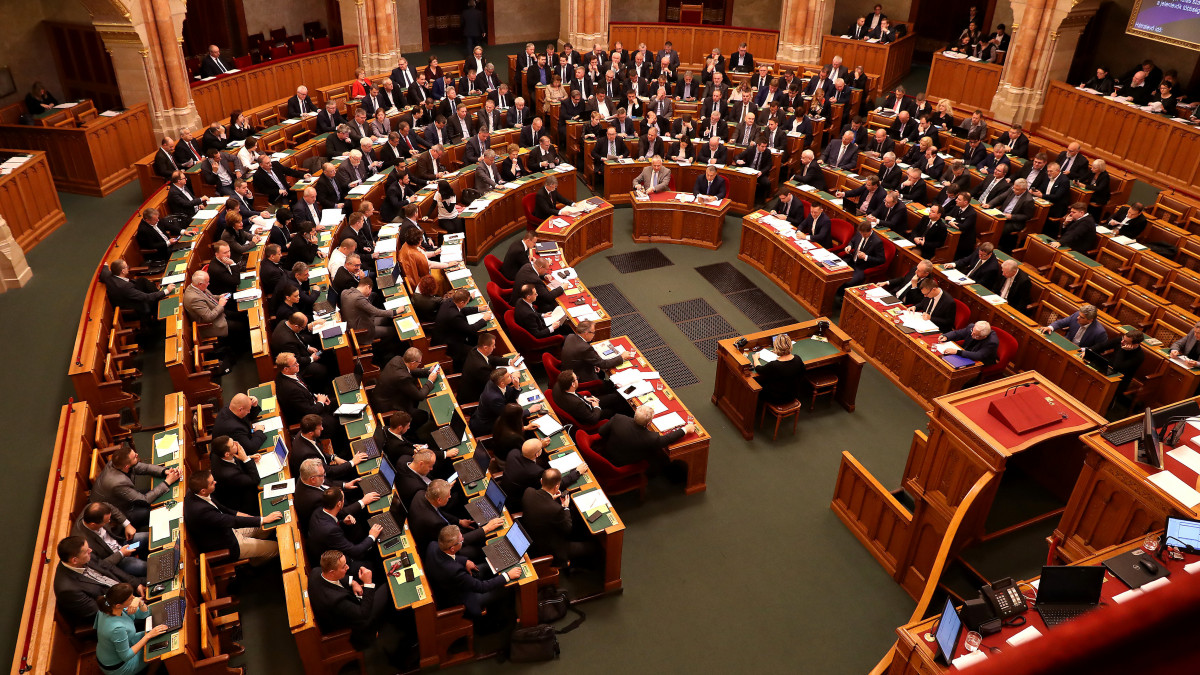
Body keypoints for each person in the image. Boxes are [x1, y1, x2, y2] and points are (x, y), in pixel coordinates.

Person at [184, 470, 281, 564]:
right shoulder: (201, 511)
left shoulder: (194, 490)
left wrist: (244, 515)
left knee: (267, 528)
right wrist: (263, 519)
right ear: (203, 491)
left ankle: (257, 551)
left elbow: (222, 509)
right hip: (228, 543)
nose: (215, 482)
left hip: (228, 530)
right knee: (276, 548)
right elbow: (231, 521)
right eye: (212, 483)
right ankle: (254, 563)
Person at [425, 525, 519, 620]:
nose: (462, 541)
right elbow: (481, 587)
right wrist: (507, 576)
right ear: (452, 548)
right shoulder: (455, 571)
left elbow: (446, 557)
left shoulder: (432, 545)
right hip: (464, 596)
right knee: (508, 588)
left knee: (489, 567)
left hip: (452, 582)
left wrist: (464, 561)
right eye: (461, 541)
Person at [309, 550, 391, 651]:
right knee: (388, 586)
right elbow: (363, 614)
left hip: (350, 604)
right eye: (343, 567)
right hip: (359, 622)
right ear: (332, 572)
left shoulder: (316, 572)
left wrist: (353, 582)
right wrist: (368, 583)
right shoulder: (336, 601)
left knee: (379, 584)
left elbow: (336, 577)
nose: (347, 567)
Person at [54, 536, 144, 628]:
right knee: (151, 613)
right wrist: (128, 605)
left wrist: (135, 584)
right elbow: (98, 612)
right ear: (74, 560)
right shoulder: (67, 590)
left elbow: (110, 568)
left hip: (125, 591)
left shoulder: (84, 556)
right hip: (115, 616)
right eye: (86, 551)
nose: (90, 550)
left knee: (152, 580)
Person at [91, 443, 179, 529]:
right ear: (127, 466)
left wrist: (164, 471)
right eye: (134, 457)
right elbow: (145, 500)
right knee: (156, 511)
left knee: (159, 494)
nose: (137, 454)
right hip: (120, 511)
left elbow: (145, 468)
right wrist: (167, 482)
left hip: (124, 497)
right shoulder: (117, 483)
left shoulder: (118, 463)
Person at [95, 583, 166, 675]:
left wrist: (139, 602)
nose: (134, 599)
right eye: (130, 599)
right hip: (119, 666)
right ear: (118, 605)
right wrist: (148, 636)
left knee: (158, 635)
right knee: (159, 649)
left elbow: (145, 614)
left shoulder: (108, 603)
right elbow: (126, 656)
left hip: (120, 646)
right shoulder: (117, 628)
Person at [503, 439, 587, 513]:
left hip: (507, 493)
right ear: (537, 454)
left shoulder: (513, 453)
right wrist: (577, 472)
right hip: (520, 503)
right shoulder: (536, 472)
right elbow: (552, 486)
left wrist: (540, 445)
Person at [597, 404, 694, 468]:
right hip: (625, 463)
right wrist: (686, 429)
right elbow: (667, 439)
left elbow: (601, 432)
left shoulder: (618, 418)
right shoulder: (650, 438)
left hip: (607, 453)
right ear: (649, 423)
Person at [307, 487, 383, 567]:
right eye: (343, 499)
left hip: (322, 546)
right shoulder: (331, 531)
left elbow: (329, 523)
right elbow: (355, 551)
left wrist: (343, 522)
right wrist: (372, 536)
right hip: (328, 563)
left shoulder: (318, 511)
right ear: (339, 504)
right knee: (373, 564)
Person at [73, 502, 149, 577]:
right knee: (145, 567)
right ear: (93, 524)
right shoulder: (84, 544)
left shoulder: (91, 508)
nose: (109, 521)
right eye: (105, 521)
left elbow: (110, 507)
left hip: (122, 543)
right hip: (116, 559)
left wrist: (127, 525)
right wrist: (121, 554)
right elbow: (99, 565)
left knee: (148, 537)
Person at [374, 348, 437, 428]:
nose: (419, 364)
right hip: (388, 407)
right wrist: (430, 381)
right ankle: (408, 432)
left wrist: (428, 372)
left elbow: (409, 370)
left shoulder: (397, 359)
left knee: (413, 398)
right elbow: (420, 396)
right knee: (423, 416)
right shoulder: (402, 377)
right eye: (419, 362)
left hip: (383, 397)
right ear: (413, 362)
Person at [434, 288, 491, 369]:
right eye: (467, 302)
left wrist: (479, 309)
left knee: (474, 337)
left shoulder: (448, 301)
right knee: (476, 352)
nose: (467, 303)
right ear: (462, 302)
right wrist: (484, 319)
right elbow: (470, 329)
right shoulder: (454, 316)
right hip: (448, 344)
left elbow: (462, 310)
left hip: (447, 334)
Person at [209, 435, 262, 516]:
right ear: (227, 454)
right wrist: (246, 459)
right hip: (245, 502)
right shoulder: (229, 474)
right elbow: (255, 480)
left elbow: (233, 460)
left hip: (239, 486)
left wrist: (249, 457)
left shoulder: (216, 453)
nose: (237, 443)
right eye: (233, 444)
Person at [553, 369, 625, 426]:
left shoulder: (559, 386)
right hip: (589, 414)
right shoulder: (577, 404)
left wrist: (585, 398)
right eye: (576, 378)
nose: (578, 379)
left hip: (585, 404)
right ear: (573, 384)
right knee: (612, 410)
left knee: (614, 397)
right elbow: (593, 419)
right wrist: (596, 407)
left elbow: (573, 394)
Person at [750, 334, 806, 405]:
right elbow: (802, 373)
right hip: (793, 394)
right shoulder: (797, 359)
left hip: (776, 398)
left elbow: (759, 369)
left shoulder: (774, 365)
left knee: (758, 382)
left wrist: (755, 358)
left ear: (776, 348)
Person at [460, 332, 511, 404]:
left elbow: (490, 358)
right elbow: (494, 383)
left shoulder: (475, 350)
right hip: (474, 398)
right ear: (485, 348)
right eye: (493, 346)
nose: (494, 347)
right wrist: (511, 378)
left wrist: (509, 361)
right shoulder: (480, 367)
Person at [1090, 330, 1145, 395]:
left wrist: (1123, 350)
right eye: (1123, 339)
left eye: (1126, 341)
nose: (1122, 341)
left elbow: (1117, 367)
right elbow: (1103, 345)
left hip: (1120, 380)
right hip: (1108, 369)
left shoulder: (1139, 356)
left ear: (1135, 344)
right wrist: (1090, 350)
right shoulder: (1122, 341)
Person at [1038, 304, 1106, 348]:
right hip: (1066, 343)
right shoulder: (1076, 315)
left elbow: (1099, 349)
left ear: (1090, 320)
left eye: (1082, 317)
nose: (1078, 318)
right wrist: (1050, 327)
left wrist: (1085, 350)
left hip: (1079, 353)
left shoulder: (1099, 332)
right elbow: (1060, 323)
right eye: (1079, 315)